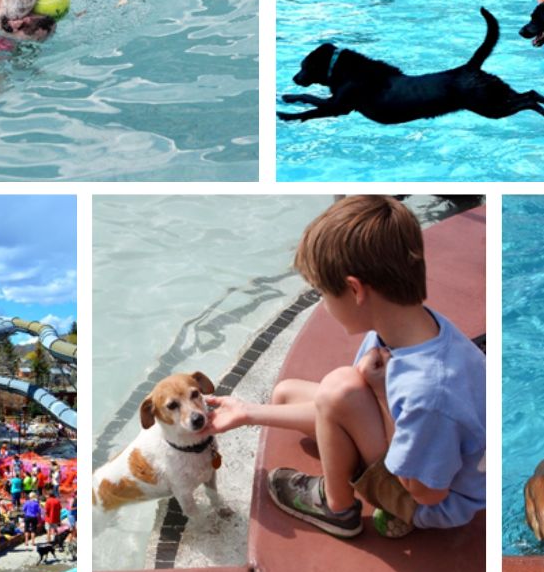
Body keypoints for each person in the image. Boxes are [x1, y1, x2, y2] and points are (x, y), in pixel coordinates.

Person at [203, 196, 485, 539]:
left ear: (354, 290)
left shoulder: (429, 393)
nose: (323, 304)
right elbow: (342, 407)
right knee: (286, 393)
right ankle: (345, 454)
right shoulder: (410, 328)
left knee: (339, 388)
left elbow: (427, 492)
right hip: (414, 447)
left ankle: (336, 508)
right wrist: (247, 413)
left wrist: (382, 395)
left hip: (432, 503)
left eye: (322, 293)